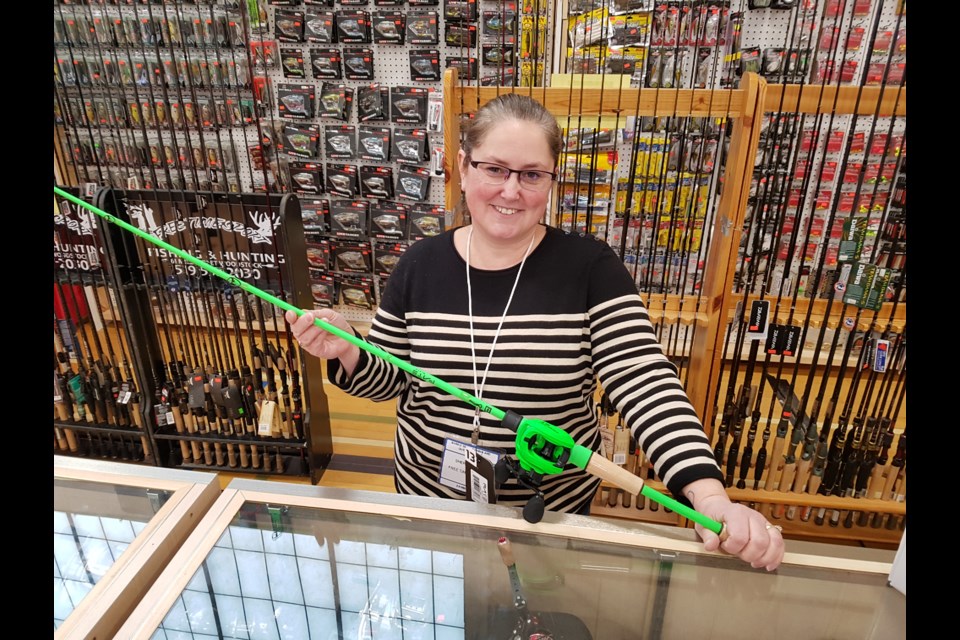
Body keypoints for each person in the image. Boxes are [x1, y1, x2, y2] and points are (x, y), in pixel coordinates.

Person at [286, 93, 785, 571]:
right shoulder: (420, 264)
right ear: (464, 166)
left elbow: (646, 383)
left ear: (551, 180)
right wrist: (347, 352)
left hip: (549, 513)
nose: (511, 190)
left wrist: (710, 496)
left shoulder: (590, 268)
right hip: (430, 503)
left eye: (531, 175)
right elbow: (391, 380)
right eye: (495, 169)